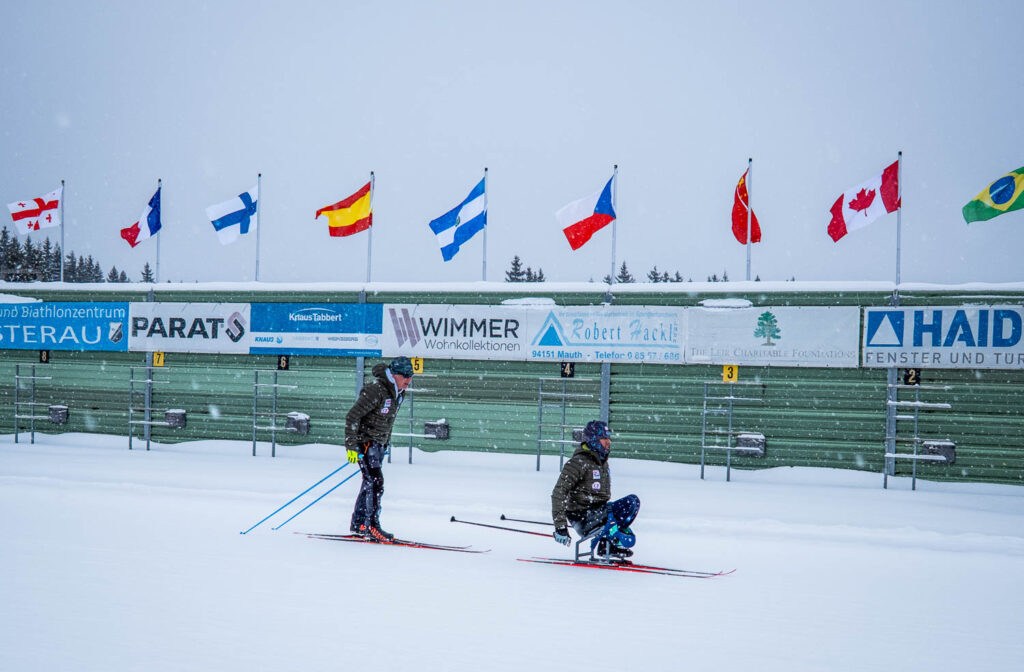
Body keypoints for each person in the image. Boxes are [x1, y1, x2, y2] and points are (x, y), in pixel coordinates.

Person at [345, 356, 414, 542]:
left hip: (378, 445)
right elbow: (352, 417)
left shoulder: (398, 392)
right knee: (375, 482)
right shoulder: (376, 390)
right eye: (405, 375)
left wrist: (385, 443)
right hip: (365, 442)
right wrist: (351, 446)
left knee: (369, 483)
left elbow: (387, 422)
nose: (409, 379)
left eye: (411, 375)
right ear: (394, 375)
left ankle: (359, 523)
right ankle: (372, 527)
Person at [550, 419, 640, 560]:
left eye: (608, 438)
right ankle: (606, 543)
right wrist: (560, 526)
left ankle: (607, 544)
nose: (608, 442)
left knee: (631, 503)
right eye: (604, 438)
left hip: (598, 511)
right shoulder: (578, 463)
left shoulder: (601, 462)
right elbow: (558, 493)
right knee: (630, 502)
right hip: (582, 517)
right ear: (593, 440)